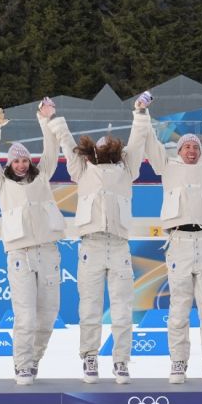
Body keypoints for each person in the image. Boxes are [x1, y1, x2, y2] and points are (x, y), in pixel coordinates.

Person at [133, 88, 202, 386]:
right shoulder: (166, 166)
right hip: (178, 244)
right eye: (186, 147)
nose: (191, 151)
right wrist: (141, 112)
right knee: (178, 309)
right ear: (178, 151)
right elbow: (150, 142)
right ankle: (178, 363)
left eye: (195, 147)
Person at [47, 109, 137, 385]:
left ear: (115, 151)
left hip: (119, 246)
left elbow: (138, 140)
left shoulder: (126, 171)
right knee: (90, 308)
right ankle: (89, 357)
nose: (103, 153)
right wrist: (54, 119)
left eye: (108, 149)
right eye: (99, 150)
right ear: (93, 153)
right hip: (91, 245)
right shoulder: (82, 170)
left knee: (123, 309)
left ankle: (121, 361)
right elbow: (66, 142)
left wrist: (140, 114)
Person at [0, 100, 66, 385]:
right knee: (25, 316)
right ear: (9, 164)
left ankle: (34, 360)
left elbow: (52, 148)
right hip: (20, 255)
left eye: (24, 160)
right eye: (16, 161)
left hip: (48, 253)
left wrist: (45, 119)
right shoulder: (1, 185)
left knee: (48, 315)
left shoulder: (42, 177)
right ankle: (22, 364)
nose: (20, 164)